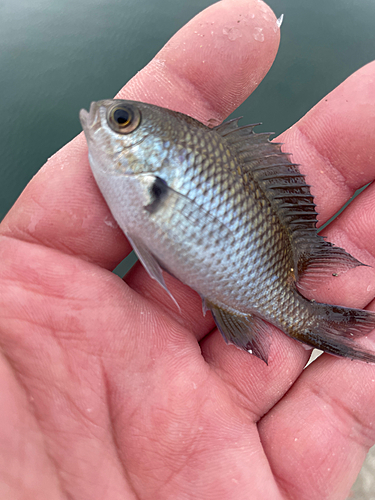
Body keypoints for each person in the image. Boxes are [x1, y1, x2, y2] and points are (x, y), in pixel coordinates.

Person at [1, 0, 375, 498]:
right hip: (248, 285)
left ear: (153, 152)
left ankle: (316, 324)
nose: (105, 120)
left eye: (124, 121)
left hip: (255, 283)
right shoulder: (143, 179)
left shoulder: (147, 180)